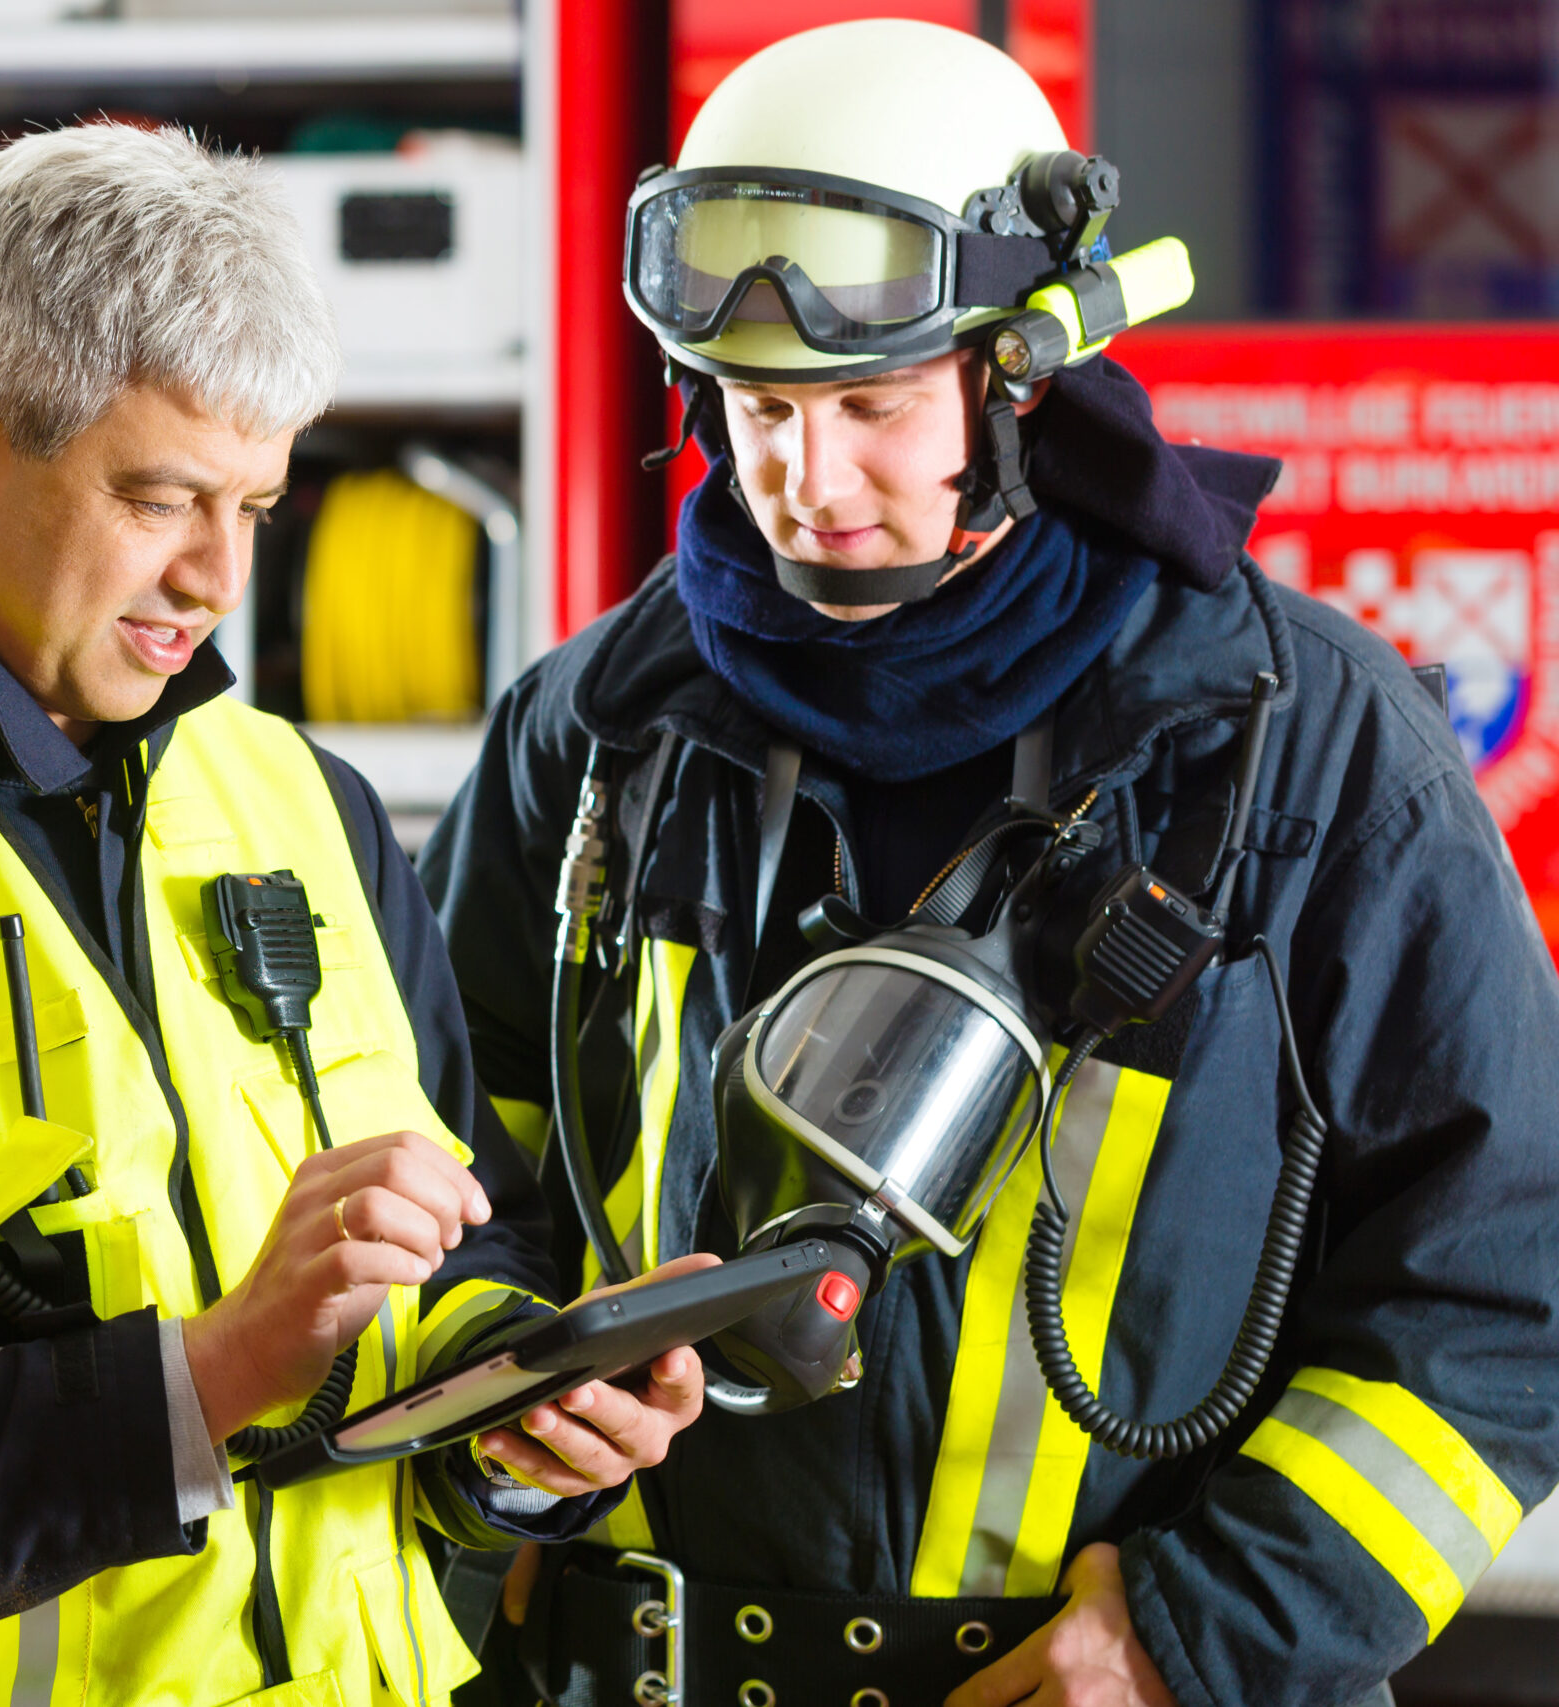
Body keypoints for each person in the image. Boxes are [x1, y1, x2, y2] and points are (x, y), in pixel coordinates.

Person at [421, 19, 1559, 1707]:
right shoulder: (598, 730)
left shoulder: (1299, 747)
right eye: (755, 407)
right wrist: (492, 1402)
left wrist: (1198, 1637)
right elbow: (444, 1171)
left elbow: (1507, 1275)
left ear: (1022, 377)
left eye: (874, 407)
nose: (807, 482)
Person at [0, 121, 706, 1707]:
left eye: (255, 503)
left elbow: (478, 1235)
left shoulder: (304, 805)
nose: (218, 577)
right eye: (164, 496)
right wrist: (204, 1385)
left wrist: (528, 1422)